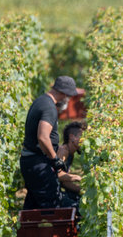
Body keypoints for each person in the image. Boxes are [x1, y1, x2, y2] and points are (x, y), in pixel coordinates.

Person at [20, 76, 79, 210]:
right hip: (38, 164)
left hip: (31, 162)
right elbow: (43, 137)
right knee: (54, 206)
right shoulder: (49, 108)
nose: (68, 99)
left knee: (33, 207)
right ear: (63, 93)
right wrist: (55, 158)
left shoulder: (41, 101)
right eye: (69, 96)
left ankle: (25, 230)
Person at [56, 121, 86, 210]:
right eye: (81, 137)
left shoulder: (70, 154)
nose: (84, 140)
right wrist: (77, 177)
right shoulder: (63, 152)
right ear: (72, 137)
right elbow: (57, 175)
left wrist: (82, 190)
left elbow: (65, 182)